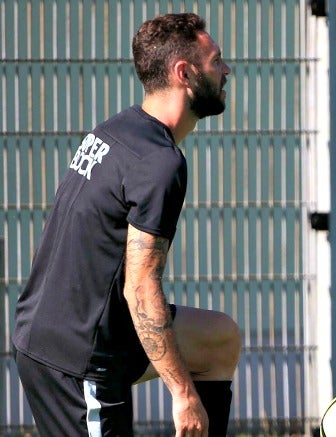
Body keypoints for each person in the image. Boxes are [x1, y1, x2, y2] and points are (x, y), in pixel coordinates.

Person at [13, 13, 241, 436]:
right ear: (185, 73)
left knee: (218, 338)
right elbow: (140, 285)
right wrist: (183, 394)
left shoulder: (119, 128)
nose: (226, 70)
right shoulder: (160, 164)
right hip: (76, 358)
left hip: (54, 327)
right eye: (217, 60)